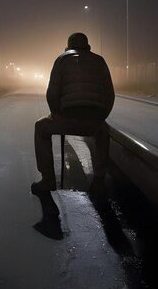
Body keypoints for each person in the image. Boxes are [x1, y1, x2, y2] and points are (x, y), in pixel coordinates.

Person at [31, 32, 115, 194]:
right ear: (87, 45)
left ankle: (48, 180)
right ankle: (98, 181)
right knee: (103, 133)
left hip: (66, 118)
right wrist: (101, 117)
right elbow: (109, 94)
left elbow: (52, 94)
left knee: (40, 127)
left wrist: (57, 115)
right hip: (94, 120)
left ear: (69, 45)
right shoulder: (99, 60)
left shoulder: (62, 59)